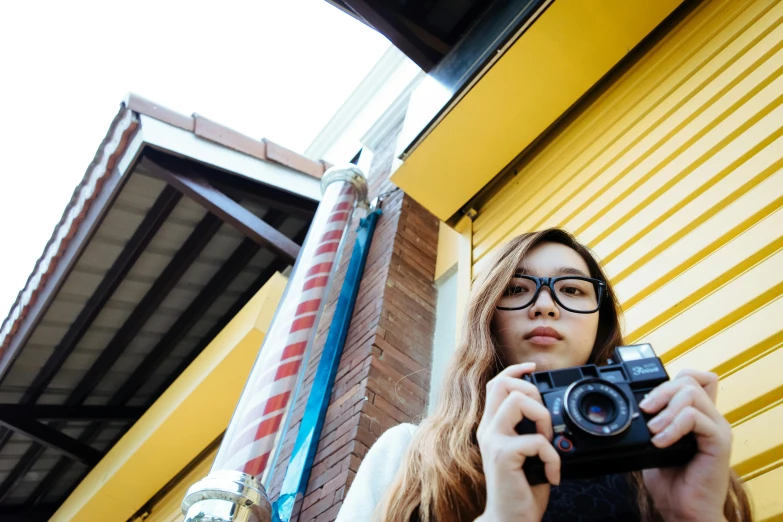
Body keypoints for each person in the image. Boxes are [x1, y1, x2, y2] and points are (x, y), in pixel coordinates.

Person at [335, 228, 751, 522]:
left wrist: (694, 516)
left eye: (572, 290)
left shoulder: (673, 455)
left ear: (599, 322)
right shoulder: (409, 454)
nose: (546, 305)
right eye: (517, 289)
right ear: (487, 316)